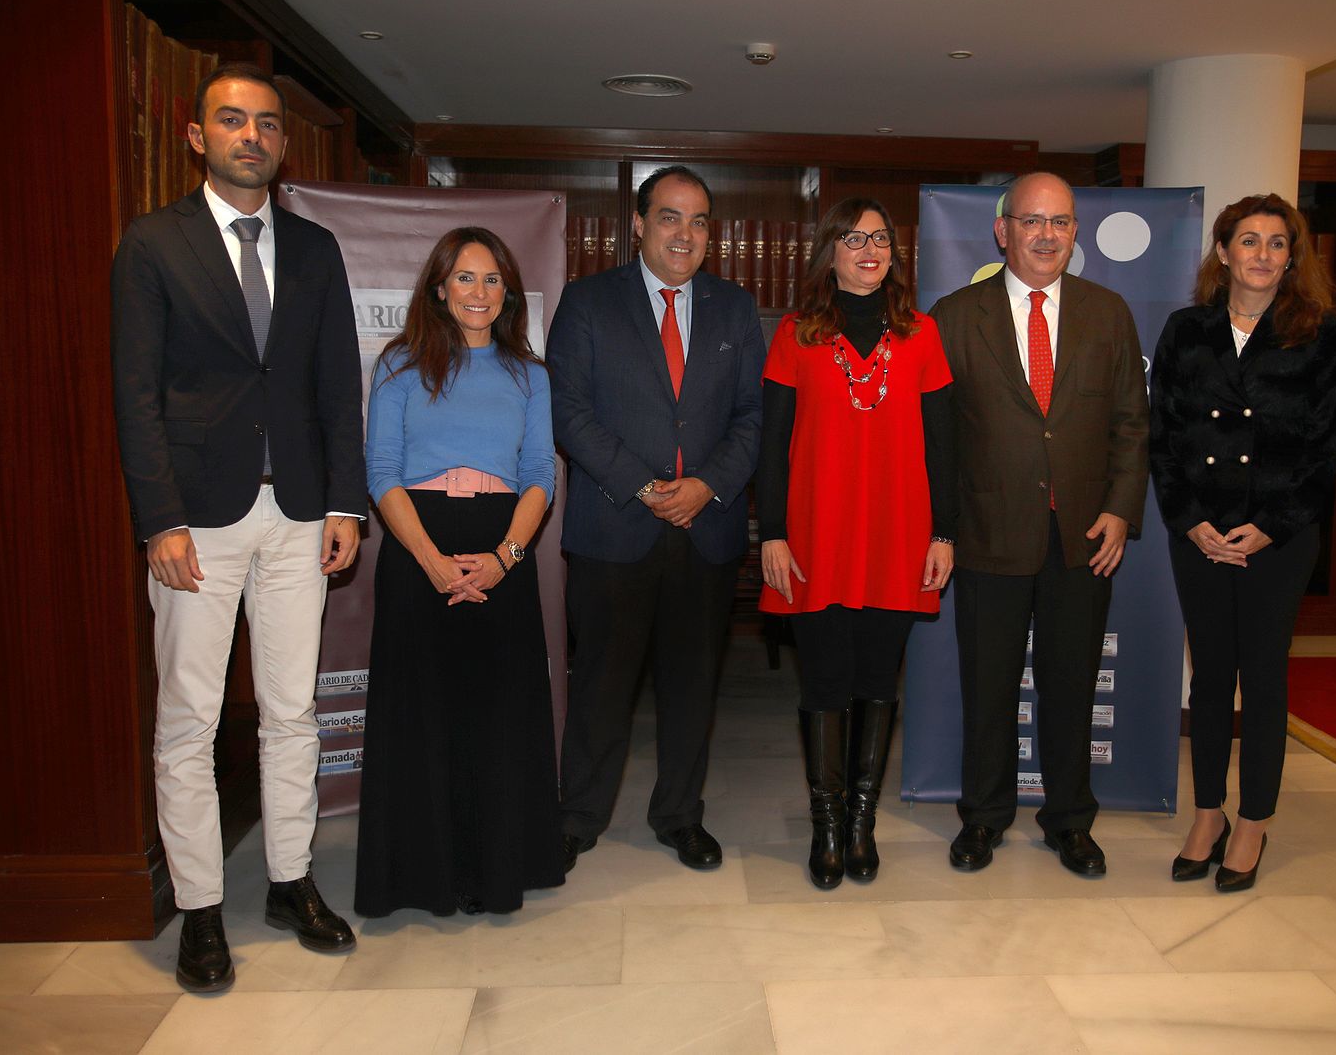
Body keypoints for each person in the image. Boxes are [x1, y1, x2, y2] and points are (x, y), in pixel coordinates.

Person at [111, 63, 365, 992]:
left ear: (283, 144)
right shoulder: (153, 244)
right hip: (197, 524)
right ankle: (201, 909)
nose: (250, 135)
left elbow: (339, 383)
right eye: (232, 120)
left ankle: (290, 881)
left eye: (265, 124)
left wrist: (347, 503)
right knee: (190, 719)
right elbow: (135, 396)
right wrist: (159, 519)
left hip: (299, 513)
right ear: (196, 136)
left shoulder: (315, 248)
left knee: (293, 709)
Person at [930, 172, 1149, 878]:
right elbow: (940, 439)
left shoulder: (1108, 312)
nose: (1046, 235)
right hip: (989, 532)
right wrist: (943, 528)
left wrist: (1119, 509)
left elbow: (1130, 424)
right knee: (988, 686)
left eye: (1060, 222)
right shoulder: (954, 316)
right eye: (1031, 221)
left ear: (1075, 231)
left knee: (1071, 686)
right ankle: (984, 818)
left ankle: (1069, 821)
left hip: (1083, 540)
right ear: (1003, 231)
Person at [548, 165, 765, 871]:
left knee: (691, 688)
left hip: (705, 532)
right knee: (602, 688)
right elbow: (570, 414)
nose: (686, 233)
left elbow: (752, 418)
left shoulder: (735, 309)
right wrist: (645, 485)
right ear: (637, 224)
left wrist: (706, 485)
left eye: (699, 221)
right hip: (616, 527)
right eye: (670, 217)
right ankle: (577, 815)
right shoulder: (587, 303)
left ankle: (679, 814)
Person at [352, 227, 563, 916]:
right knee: (425, 720)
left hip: (504, 550)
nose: (480, 292)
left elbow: (537, 475)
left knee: (496, 721)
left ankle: (496, 871)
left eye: (493, 279)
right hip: (421, 552)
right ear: (439, 288)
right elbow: (381, 473)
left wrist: (504, 559)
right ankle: (425, 875)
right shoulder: (397, 366)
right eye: (465, 279)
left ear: (508, 292)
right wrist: (432, 562)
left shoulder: (531, 376)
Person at [756, 198, 956, 889]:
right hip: (815, 536)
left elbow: (943, 444)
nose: (869, 249)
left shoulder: (923, 334)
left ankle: (862, 823)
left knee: (877, 679)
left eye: (881, 238)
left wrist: (945, 532)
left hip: (900, 535)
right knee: (825, 683)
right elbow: (773, 445)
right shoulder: (794, 334)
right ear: (829, 251)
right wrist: (773, 532)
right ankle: (827, 827)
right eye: (853, 237)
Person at [1150, 194, 1336, 892]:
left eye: (1277, 242)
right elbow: (1163, 437)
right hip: (1200, 530)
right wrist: (1191, 518)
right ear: (1224, 251)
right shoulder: (1186, 330)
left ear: (1292, 257)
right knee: (1208, 678)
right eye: (1249, 240)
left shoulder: (1320, 334)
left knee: (1262, 677)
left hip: (1278, 536)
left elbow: (1326, 447)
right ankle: (1208, 814)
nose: (1263, 254)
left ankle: (1254, 819)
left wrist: (1271, 525)